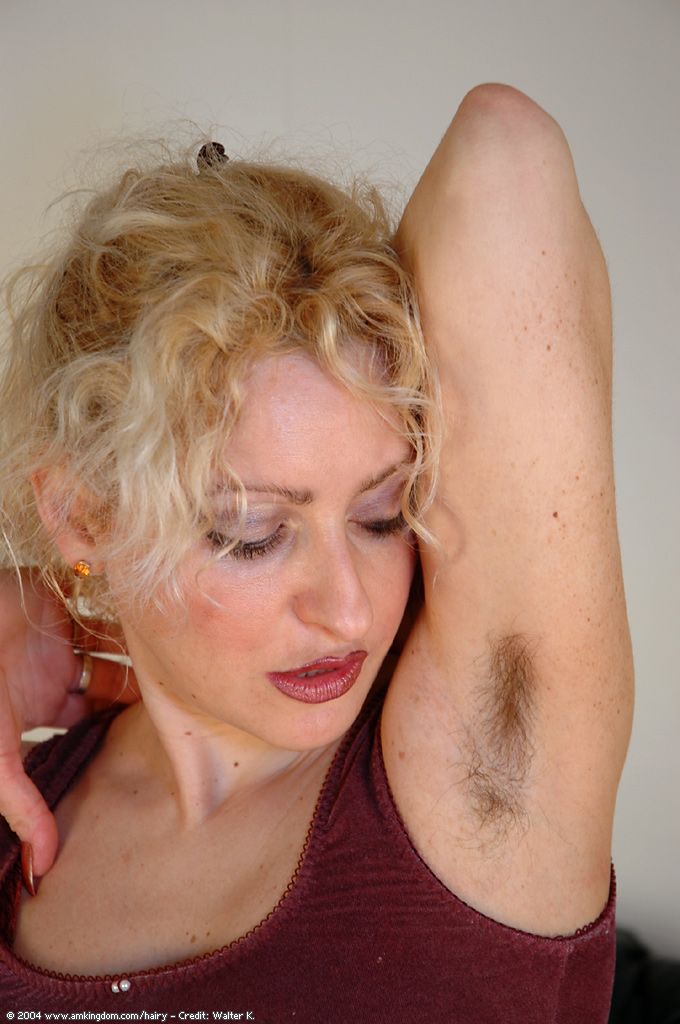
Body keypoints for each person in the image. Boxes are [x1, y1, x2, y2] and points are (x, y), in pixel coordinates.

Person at [0, 85, 633, 1020]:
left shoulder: (481, 779)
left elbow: (506, 153)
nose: (349, 609)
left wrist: (37, 609)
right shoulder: (19, 805)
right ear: (84, 516)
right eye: (252, 533)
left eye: (384, 515)